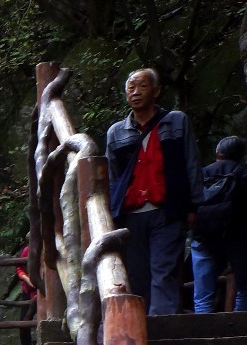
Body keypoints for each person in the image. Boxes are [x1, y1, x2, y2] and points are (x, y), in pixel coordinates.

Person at [106, 67, 199, 315]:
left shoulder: (177, 122)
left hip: (167, 209)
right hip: (130, 213)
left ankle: (162, 328)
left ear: (156, 91)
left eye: (142, 86)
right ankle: (140, 327)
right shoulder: (117, 132)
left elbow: (191, 164)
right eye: (130, 88)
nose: (135, 93)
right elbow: (112, 177)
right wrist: (111, 213)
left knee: (164, 269)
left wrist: (193, 206)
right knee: (136, 273)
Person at [192, 137, 247, 313]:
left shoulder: (202, 174)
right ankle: (241, 330)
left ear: (218, 153)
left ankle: (202, 335)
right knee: (244, 290)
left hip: (204, 238)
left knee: (203, 295)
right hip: (238, 239)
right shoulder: (244, 173)